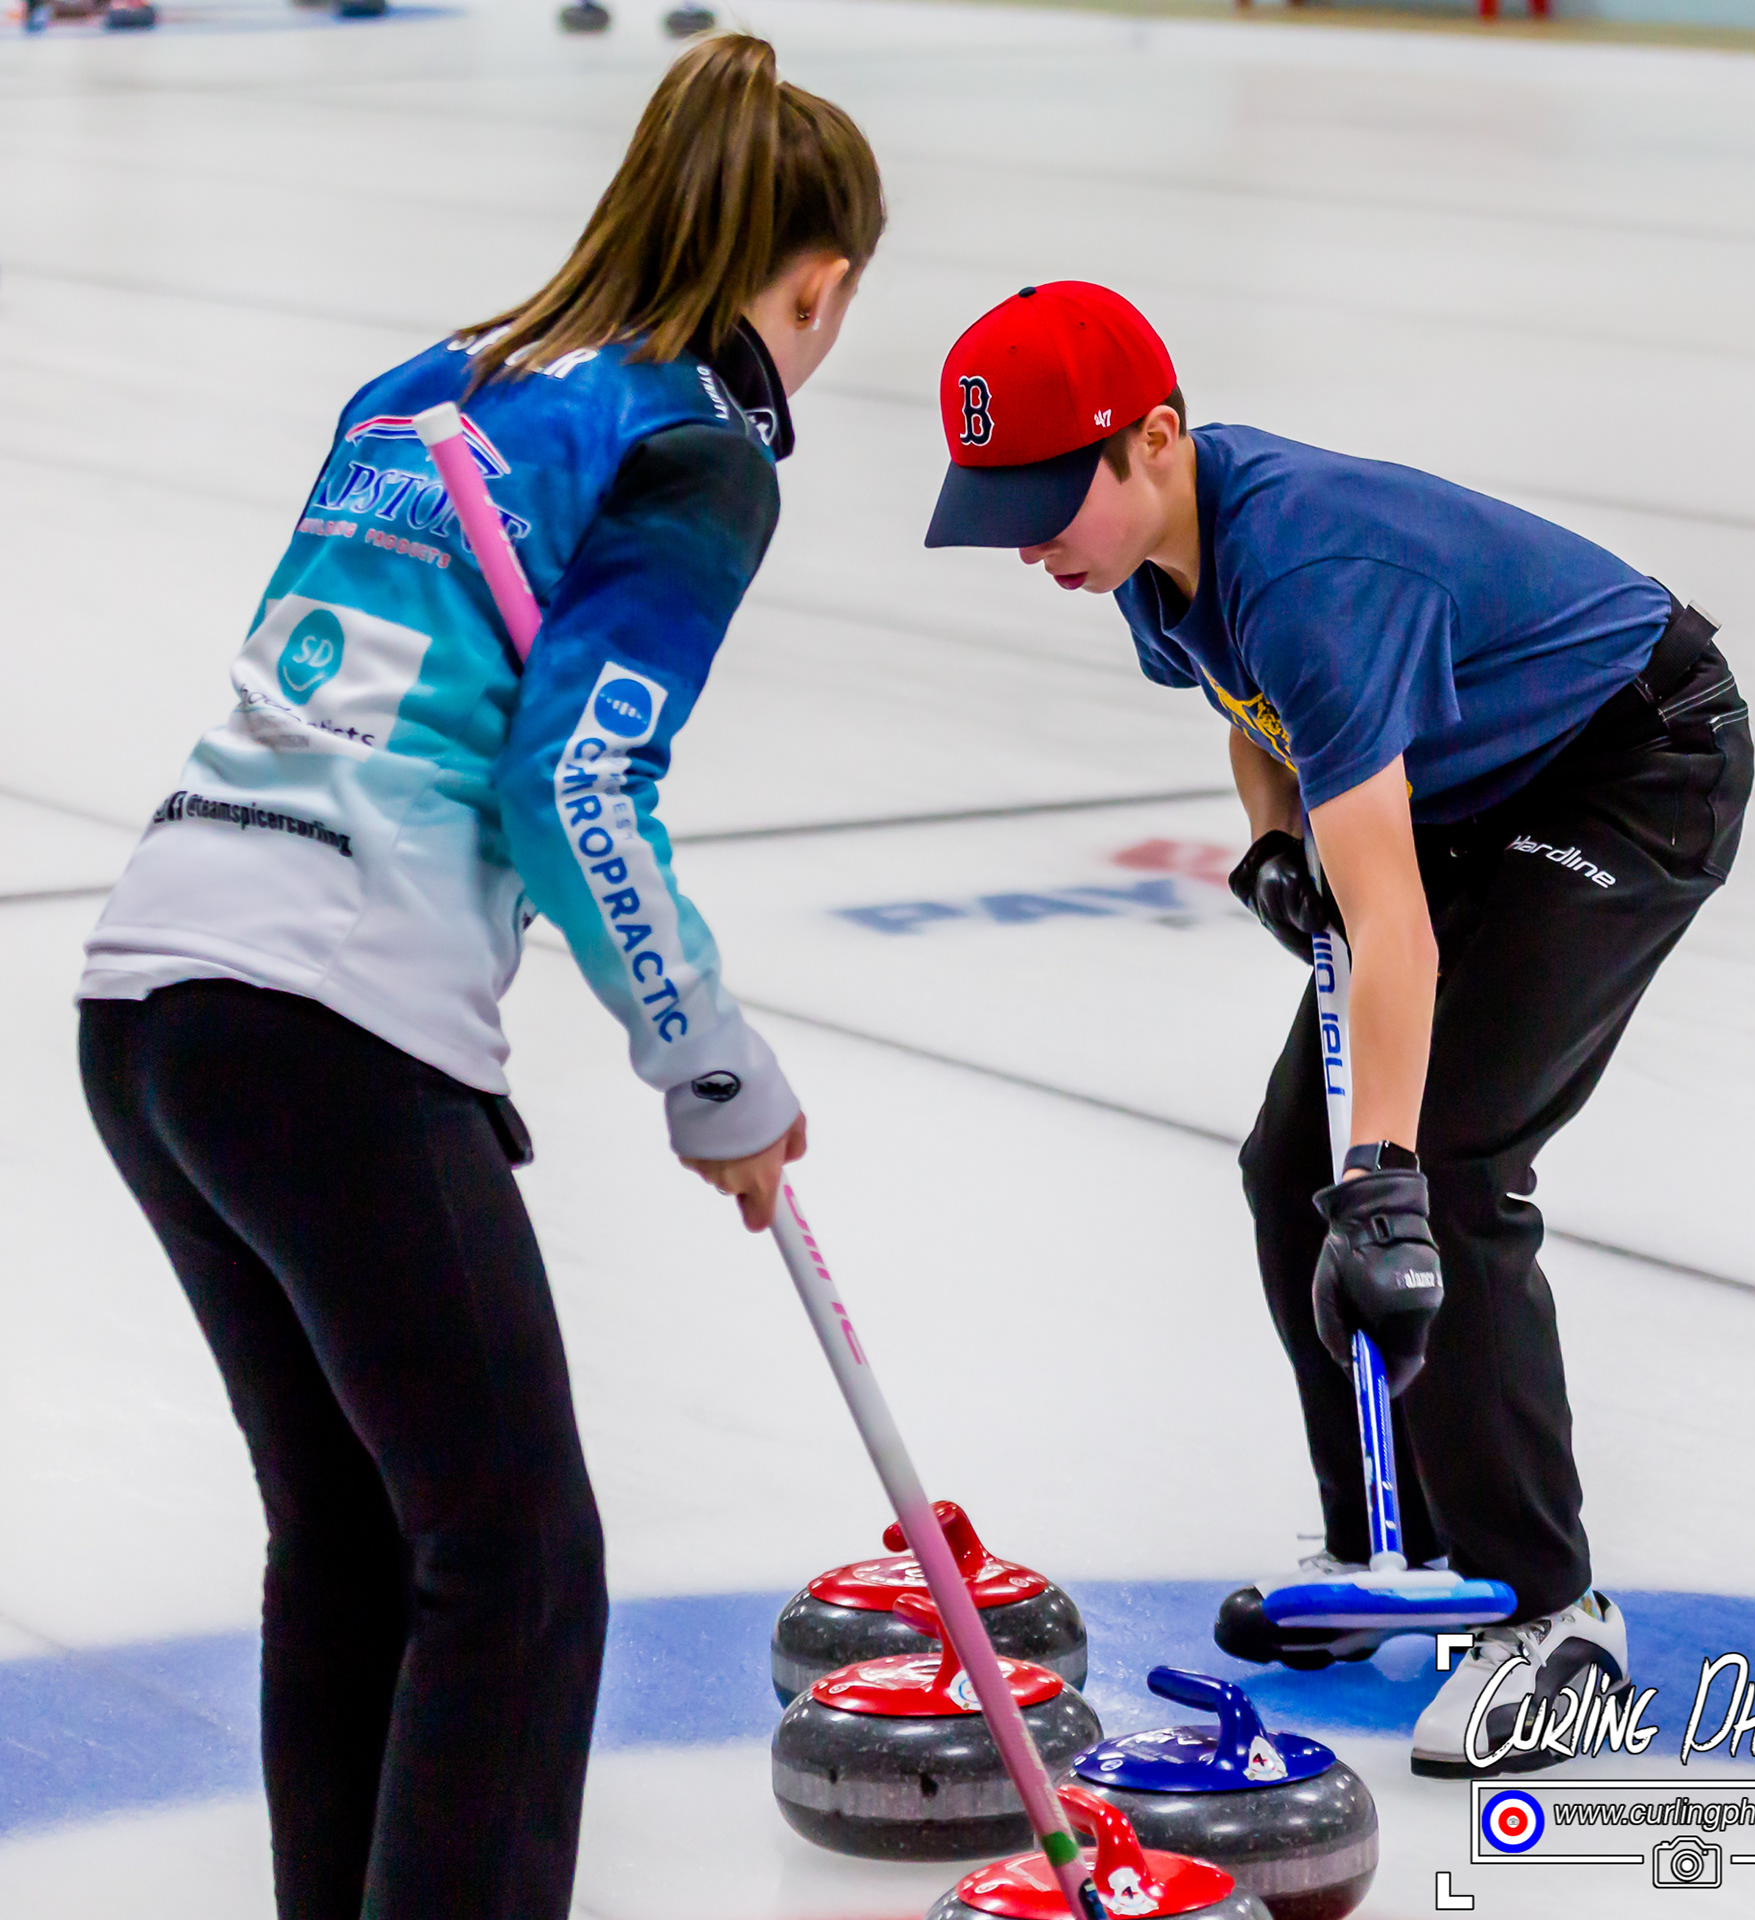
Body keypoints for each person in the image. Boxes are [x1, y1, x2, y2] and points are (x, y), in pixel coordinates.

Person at [76, 37, 883, 1918]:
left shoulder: (429, 381)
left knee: (360, 1536)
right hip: (326, 1026)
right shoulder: (694, 446)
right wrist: (708, 1062)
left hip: (154, 999)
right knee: (514, 1561)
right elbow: (573, 780)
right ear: (821, 284)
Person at [923, 282, 1751, 1777]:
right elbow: (1249, 705)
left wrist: (1383, 1178)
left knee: (1445, 1170)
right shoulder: (1155, 562)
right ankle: (1395, 1540)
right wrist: (1268, 838)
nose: (1029, 543)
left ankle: (1553, 1618)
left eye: (1046, 503)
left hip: (1632, 764)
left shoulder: (1310, 574)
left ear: (1154, 439)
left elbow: (1394, 932)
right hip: (1483, 778)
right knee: (1283, 1165)